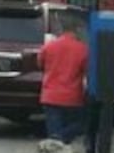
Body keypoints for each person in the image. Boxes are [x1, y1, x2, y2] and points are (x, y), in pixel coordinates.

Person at [37, 12, 88, 144]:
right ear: (76, 31)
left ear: (61, 30)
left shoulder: (49, 46)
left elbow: (40, 63)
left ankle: (56, 140)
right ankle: (59, 140)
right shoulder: (82, 49)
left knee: (54, 129)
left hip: (50, 95)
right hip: (72, 96)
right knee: (79, 125)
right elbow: (86, 70)